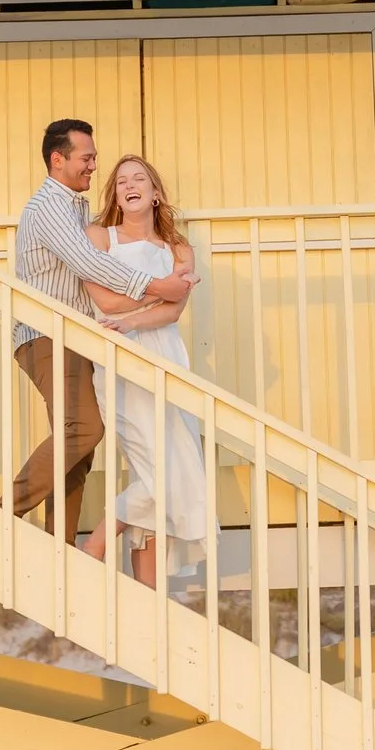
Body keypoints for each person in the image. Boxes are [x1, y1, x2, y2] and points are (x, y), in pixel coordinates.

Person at [10, 119, 194, 550]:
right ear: (59, 160)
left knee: (77, 450)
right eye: (87, 157)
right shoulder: (47, 208)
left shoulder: (75, 208)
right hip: (48, 335)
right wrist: (157, 287)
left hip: (76, 338)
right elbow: (90, 265)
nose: (95, 165)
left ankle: (60, 547)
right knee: (84, 430)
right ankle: (2, 513)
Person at [83, 155, 207, 588]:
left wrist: (138, 315)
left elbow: (174, 312)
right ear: (115, 195)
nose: (129, 185)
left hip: (167, 357)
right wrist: (159, 295)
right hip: (120, 356)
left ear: (156, 194)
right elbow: (106, 302)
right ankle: (96, 544)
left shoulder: (180, 250)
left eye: (139, 179)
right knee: (163, 471)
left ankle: (147, 593)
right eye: (121, 182)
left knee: (170, 468)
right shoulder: (100, 238)